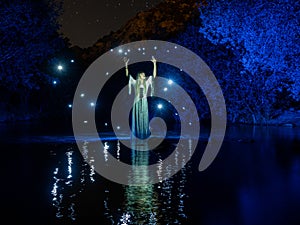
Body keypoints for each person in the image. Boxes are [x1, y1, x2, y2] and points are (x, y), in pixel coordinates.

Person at [124, 56, 157, 139]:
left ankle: (144, 132)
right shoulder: (135, 82)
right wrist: (126, 66)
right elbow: (128, 76)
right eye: (143, 75)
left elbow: (154, 75)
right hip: (137, 101)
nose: (144, 76)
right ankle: (136, 133)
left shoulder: (147, 82)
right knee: (137, 116)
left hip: (144, 101)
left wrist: (155, 64)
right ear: (139, 76)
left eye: (144, 75)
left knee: (144, 116)